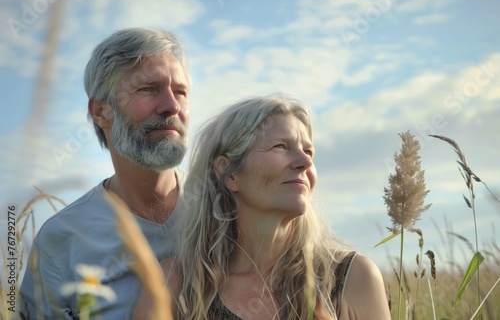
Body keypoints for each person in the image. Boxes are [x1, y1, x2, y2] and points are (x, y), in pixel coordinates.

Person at [133, 94, 391, 319]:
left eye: (309, 152)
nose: (304, 162)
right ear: (228, 173)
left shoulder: (351, 278)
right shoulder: (175, 284)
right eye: (281, 146)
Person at [19, 27, 191, 319]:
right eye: (148, 89)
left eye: (181, 92)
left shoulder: (229, 208)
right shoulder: (61, 239)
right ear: (101, 112)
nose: (172, 106)